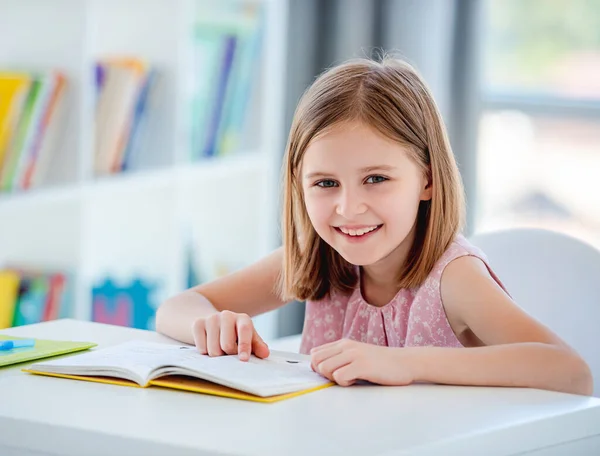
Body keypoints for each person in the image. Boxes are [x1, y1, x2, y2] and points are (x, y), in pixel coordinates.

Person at [156, 57, 592, 396]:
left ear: (426, 179)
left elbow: (569, 371)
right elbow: (177, 307)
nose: (349, 208)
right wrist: (213, 325)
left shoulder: (453, 279)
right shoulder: (317, 257)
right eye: (326, 183)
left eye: (376, 179)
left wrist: (407, 363)